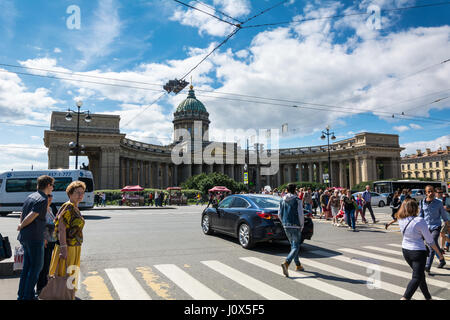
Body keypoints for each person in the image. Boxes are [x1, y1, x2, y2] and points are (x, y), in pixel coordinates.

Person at [397, 199, 445, 300]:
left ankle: (428, 297)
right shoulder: (419, 221)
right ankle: (405, 298)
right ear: (415, 208)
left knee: (420, 276)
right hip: (418, 252)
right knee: (417, 277)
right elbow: (430, 241)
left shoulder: (400, 219)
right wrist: (439, 254)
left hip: (406, 251)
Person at [17, 175, 54, 300]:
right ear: (48, 185)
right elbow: (32, 215)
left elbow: (23, 213)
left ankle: (21, 295)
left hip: (25, 237)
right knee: (36, 268)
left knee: (27, 268)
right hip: (34, 237)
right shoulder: (43, 199)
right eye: (52, 186)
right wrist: (21, 225)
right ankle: (28, 296)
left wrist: (21, 225)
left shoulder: (30, 196)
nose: (53, 188)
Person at [48, 181, 87, 299]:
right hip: (68, 246)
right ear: (70, 194)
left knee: (71, 271)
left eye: (82, 192)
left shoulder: (74, 206)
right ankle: (63, 295)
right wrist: (63, 248)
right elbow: (61, 228)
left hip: (74, 246)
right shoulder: (68, 206)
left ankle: (68, 294)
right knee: (65, 272)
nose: (80, 195)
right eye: (77, 192)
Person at [419, 185, 449, 273]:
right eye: (429, 191)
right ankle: (442, 260)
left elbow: (443, 215)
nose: (431, 193)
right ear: (426, 193)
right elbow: (420, 216)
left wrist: (447, 223)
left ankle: (428, 266)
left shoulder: (439, 203)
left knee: (432, 243)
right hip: (425, 228)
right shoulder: (421, 203)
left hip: (436, 226)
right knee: (432, 245)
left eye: (432, 191)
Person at [279, 183, 305, 277]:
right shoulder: (297, 200)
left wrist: (284, 223)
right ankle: (286, 263)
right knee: (296, 246)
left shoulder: (282, 199)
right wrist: (302, 225)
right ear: (295, 190)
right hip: (295, 225)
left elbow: (279, 213)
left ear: (286, 189)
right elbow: (300, 213)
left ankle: (298, 265)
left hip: (286, 225)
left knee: (293, 246)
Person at [36, 194, 58, 296]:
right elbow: (38, 224)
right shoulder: (40, 208)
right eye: (48, 196)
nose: (50, 198)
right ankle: (40, 288)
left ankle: (46, 287)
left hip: (52, 239)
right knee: (44, 265)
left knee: (49, 264)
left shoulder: (52, 207)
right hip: (45, 240)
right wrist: (43, 237)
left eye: (51, 196)